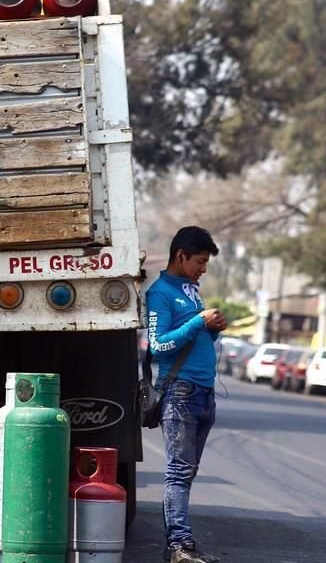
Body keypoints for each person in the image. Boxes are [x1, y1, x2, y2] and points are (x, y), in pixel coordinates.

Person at [146, 226, 226, 563]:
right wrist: (198, 322)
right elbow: (158, 345)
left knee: (187, 472)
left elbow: (194, 339)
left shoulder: (191, 291)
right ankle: (179, 545)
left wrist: (212, 330)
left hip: (204, 394)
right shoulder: (160, 293)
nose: (203, 269)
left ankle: (179, 544)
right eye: (200, 261)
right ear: (181, 256)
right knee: (179, 471)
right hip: (180, 394)